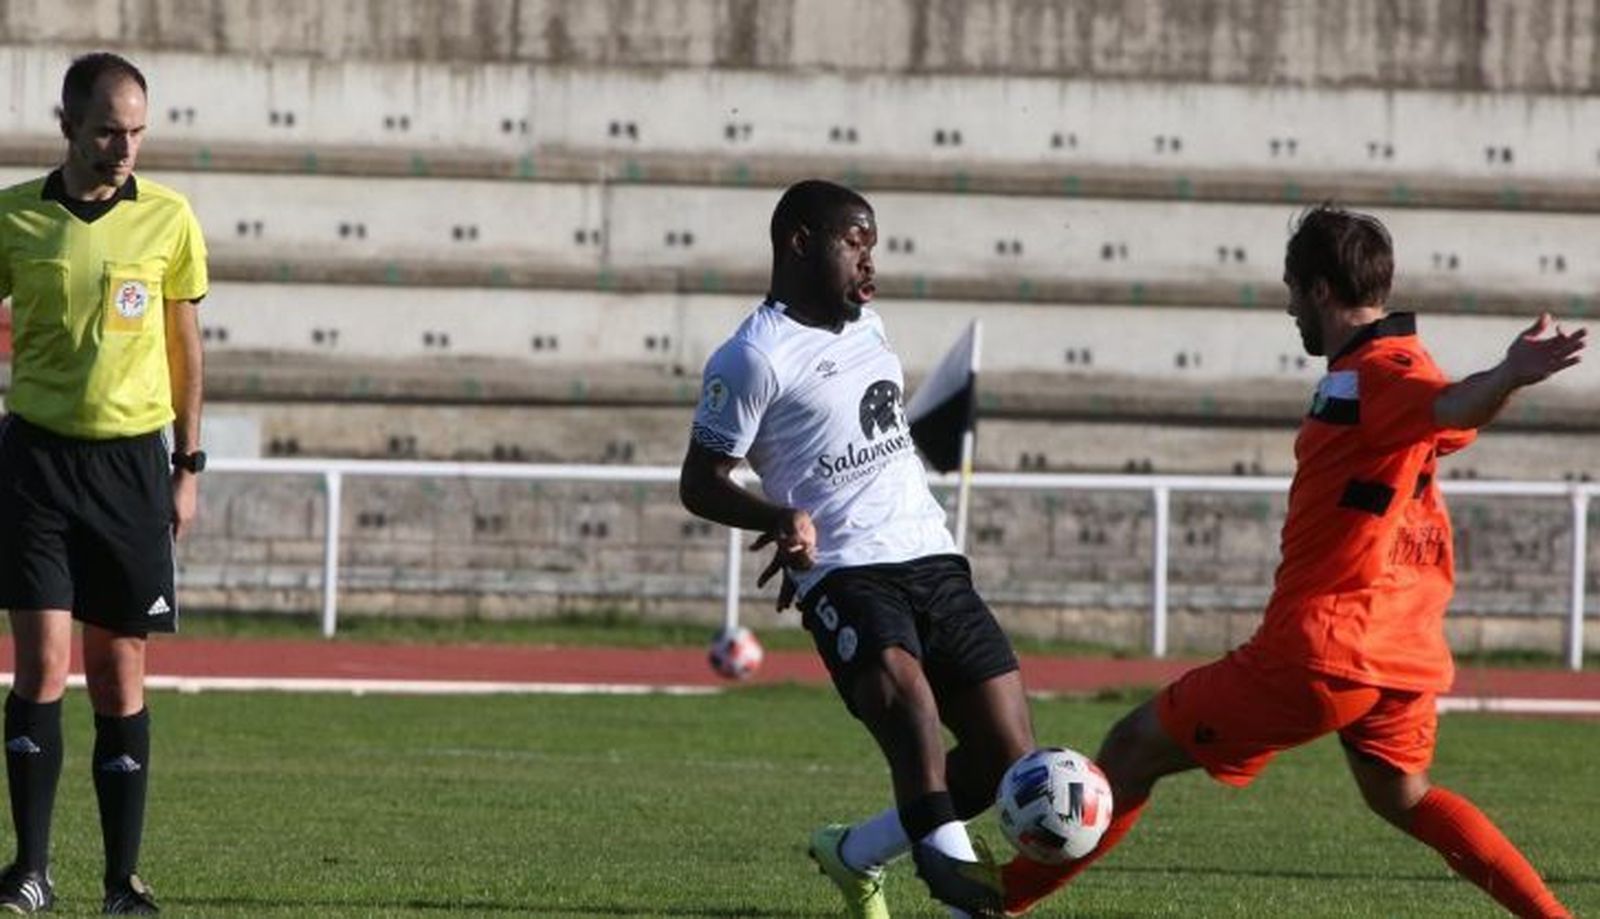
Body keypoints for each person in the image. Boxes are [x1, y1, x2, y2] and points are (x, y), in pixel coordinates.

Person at [1001, 205, 1584, 918]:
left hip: (1325, 647)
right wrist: (1490, 385)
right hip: (1397, 648)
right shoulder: (1382, 368)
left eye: (1289, 288)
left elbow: (1453, 404)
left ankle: (998, 900)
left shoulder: (1382, 370)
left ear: (1317, 289)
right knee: (1403, 796)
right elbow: (1441, 414)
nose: (1286, 307)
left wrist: (1508, 374)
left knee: (1132, 746)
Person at [679, 179, 1032, 918]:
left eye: (875, 246)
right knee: (911, 711)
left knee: (1006, 757)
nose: (870, 262)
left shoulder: (870, 327)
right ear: (801, 243)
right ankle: (963, 893)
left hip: (931, 555)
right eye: (856, 242)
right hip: (844, 571)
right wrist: (776, 516)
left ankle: (854, 852)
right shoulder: (751, 358)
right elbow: (700, 482)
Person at [0, 51, 209, 915]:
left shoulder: (170, 218)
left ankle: (122, 880)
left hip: (130, 466)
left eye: (136, 132)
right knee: (42, 661)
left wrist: (186, 465)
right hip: (38, 462)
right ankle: (30, 869)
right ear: (67, 127)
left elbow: (185, 350)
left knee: (119, 673)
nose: (125, 147)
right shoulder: (13, 217)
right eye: (108, 132)